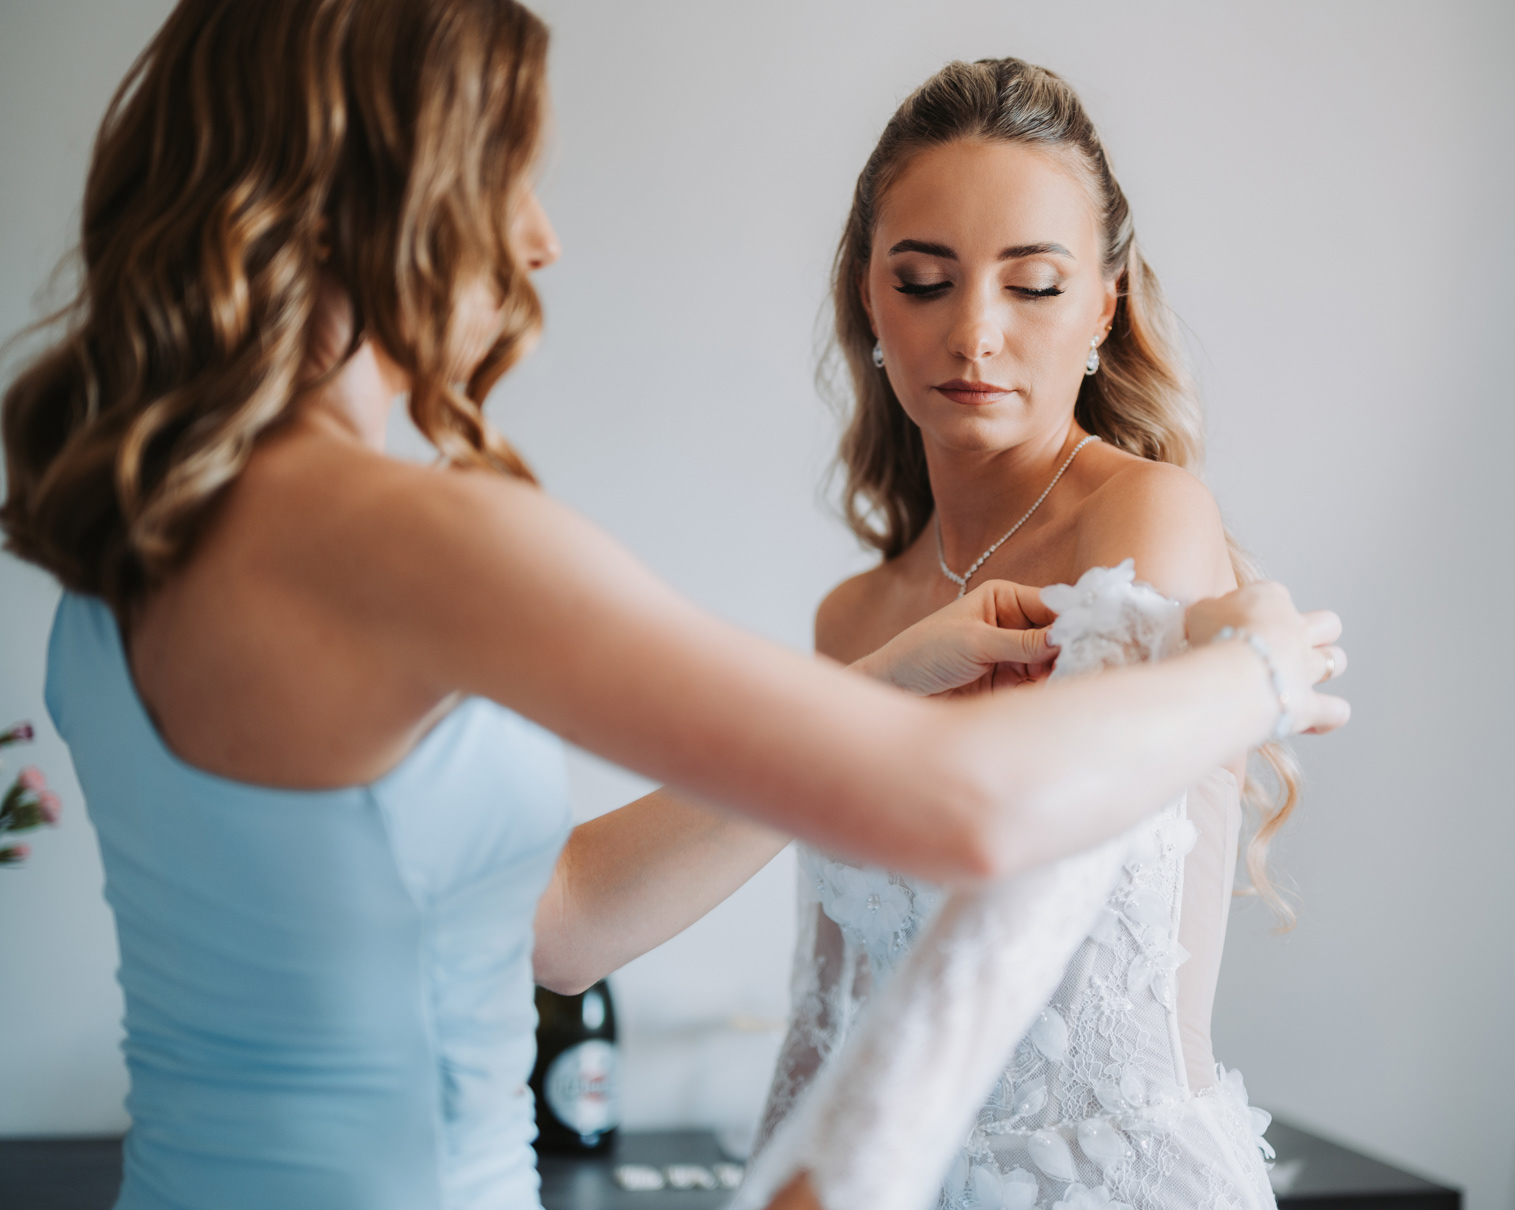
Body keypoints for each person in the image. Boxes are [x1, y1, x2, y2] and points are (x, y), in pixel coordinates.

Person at [0, 5, 1349, 1209]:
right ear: (372, 191)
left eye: (1033, 283)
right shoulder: (416, 538)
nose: (540, 236)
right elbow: (972, 805)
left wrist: (876, 680)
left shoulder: (123, 557)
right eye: (503, 174)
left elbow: (560, 923)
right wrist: (1258, 669)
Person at [745, 60, 1325, 1210]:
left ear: (1103, 306)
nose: (974, 333)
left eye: (1034, 286)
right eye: (925, 281)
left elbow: (1039, 886)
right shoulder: (852, 621)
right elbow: (824, 1023)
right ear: (869, 299)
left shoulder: (1146, 520)